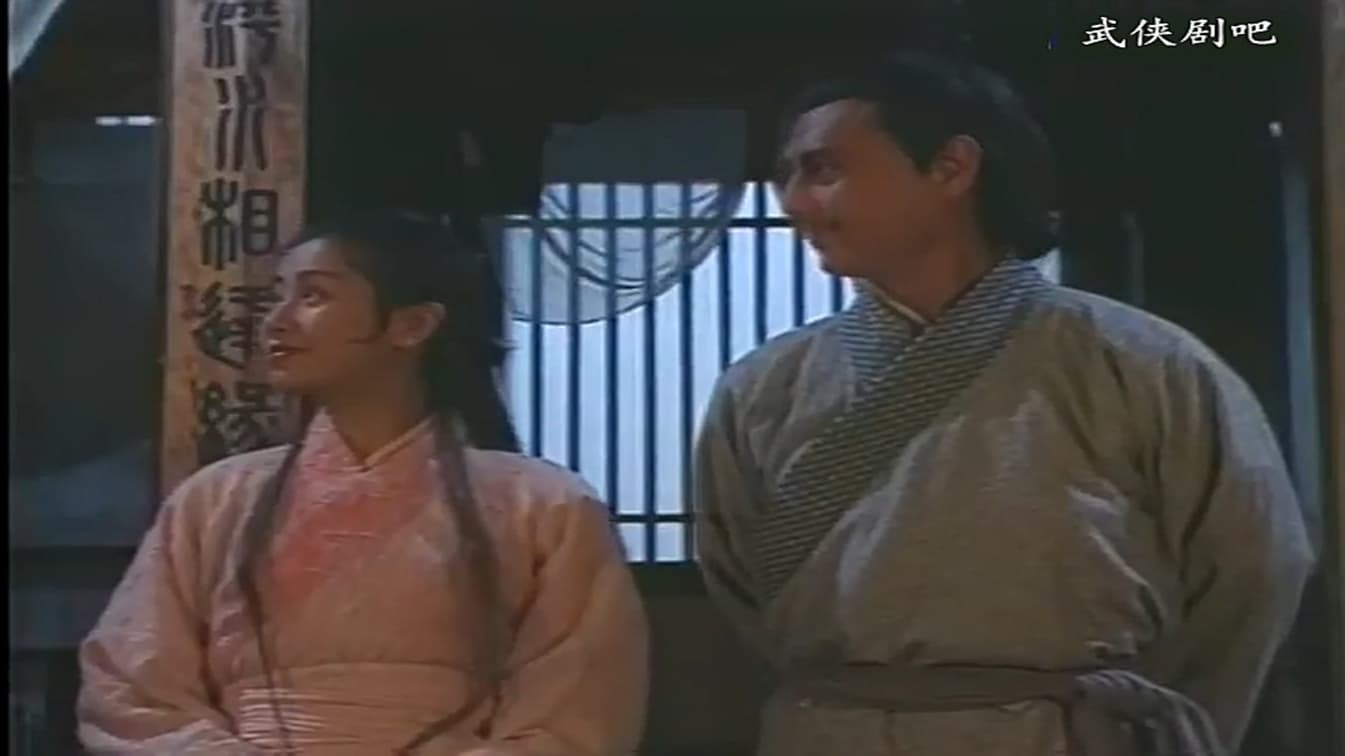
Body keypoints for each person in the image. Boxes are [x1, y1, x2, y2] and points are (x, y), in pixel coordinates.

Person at [693, 50, 1314, 756]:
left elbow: (1253, 570)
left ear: (951, 168)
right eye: (788, 176)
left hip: (1069, 734)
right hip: (832, 731)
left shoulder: (1144, 365)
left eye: (824, 170)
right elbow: (735, 579)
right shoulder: (764, 387)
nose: (794, 202)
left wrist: (1155, 724)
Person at [78, 211, 649, 754]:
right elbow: (132, 686)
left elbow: (578, 705)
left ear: (412, 325)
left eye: (313, 296)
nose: (276, 320)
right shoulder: (215, 500)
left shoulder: (545, 506)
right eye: (278, 295)